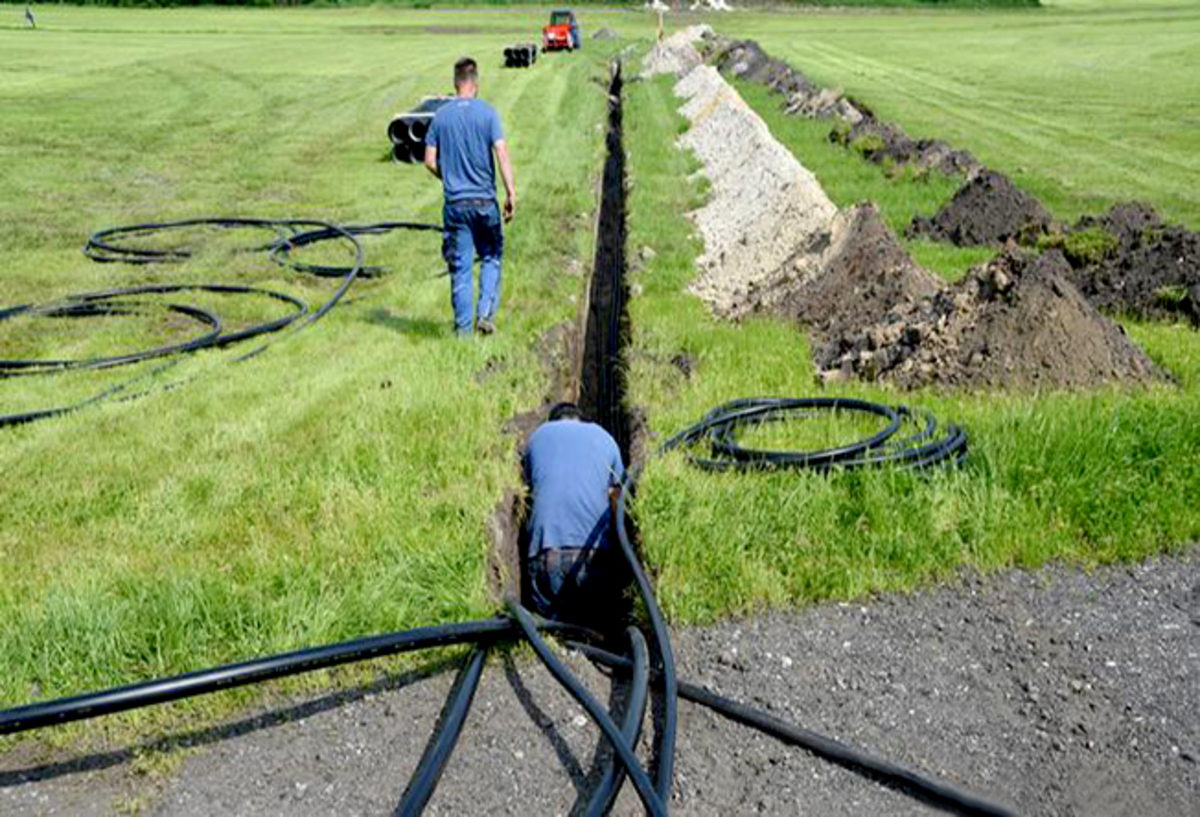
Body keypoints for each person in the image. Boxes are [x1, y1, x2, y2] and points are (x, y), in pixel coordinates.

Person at [424, 57, 517, 337]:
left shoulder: (441, 116)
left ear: (455, 84)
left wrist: (449, 175)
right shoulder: (488, 113)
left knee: (461, 267)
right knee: (491, 256)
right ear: (475, 84)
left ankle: (463, 332)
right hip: (485, 203)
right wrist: (511, 192)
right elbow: (501, 152)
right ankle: (485, 315)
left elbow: (429, 161)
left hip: (455, 206)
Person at [522, 402, 627, 626]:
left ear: (553, 421)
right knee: (593, 634)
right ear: (580, 419)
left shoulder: (537, 437)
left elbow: (526, 491)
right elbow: (619, 496)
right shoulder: (604, 437)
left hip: (546, 556)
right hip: (594, 557)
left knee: (550, 643)